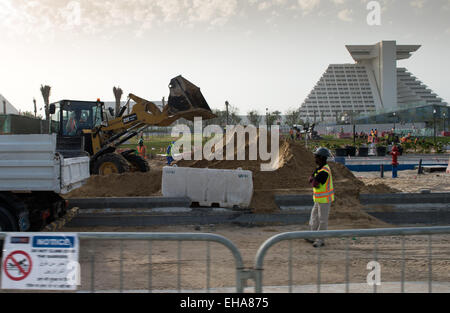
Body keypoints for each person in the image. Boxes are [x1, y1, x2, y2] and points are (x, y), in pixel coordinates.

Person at [306, 147, 335, 248]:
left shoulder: (324, 171)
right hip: (318, 199)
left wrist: (312, 180)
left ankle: (320, 239)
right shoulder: (320, 169)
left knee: (322, 220)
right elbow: (310, 178)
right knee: (314, 218)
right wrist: (312, 179)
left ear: (322, 158)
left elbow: (314, 183)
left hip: (324, 200)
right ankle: (313, 236)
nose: (315, 158)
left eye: (316, 156)